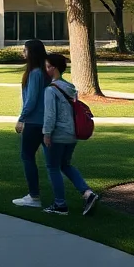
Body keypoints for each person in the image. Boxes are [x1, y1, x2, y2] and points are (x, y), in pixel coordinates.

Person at [42, 53, 100, 216]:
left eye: (47, 66)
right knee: (65, 165)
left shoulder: (50, 90)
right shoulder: (70, 88)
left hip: (58, 134)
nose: (46, 69)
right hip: (72, 133)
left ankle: (60, 204)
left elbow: (50, 115)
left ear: (53, 68)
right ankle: (87, 193)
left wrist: (46, 133)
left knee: (53, 167)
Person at [12, 38, 50, 208]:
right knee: (56, 162)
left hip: (35, 123)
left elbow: (31, 100)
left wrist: (22, 118)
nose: (23, 53)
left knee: (27, 157)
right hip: (46, 122)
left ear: (32, 53)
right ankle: (85, 191)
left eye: (25, 50)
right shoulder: (43, 72)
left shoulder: (35, 73)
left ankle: (34, 196)